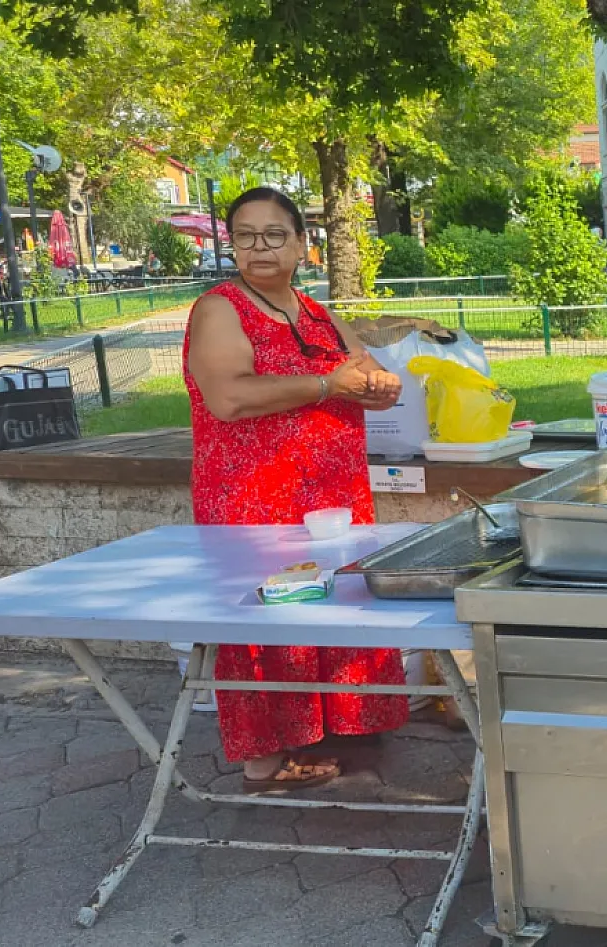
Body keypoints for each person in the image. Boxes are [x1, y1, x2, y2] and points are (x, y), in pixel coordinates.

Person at [182, 187, 407, 793]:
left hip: (329, 491)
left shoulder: (316, 310)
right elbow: (228, 397)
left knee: (336, 602)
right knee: (267, 617)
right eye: (246, 235)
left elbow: (355, 372)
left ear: (302, 245)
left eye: (274, 234)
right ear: (231, 244)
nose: (260, 246)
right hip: (256, 493)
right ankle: (265, 754)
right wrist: (327, 386)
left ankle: (342, 723)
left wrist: (379, 385)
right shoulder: (220, 309)